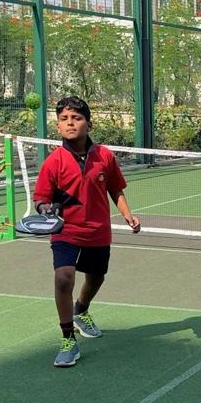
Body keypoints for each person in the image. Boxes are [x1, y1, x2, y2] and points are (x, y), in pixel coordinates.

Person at [33, 96, 141, 367]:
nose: (70, 123)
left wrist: (128, 215)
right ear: (58, 127)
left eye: (77, 118)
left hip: (98, 231)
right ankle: (68, 339)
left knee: (96, 278)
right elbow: (41, 198)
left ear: (88, 124)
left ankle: (81, 309)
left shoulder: (104, 156)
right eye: (64, 119)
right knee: (63, 278)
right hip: (65, 231)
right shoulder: (53, 162)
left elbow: (115, 189)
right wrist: (45, 209)